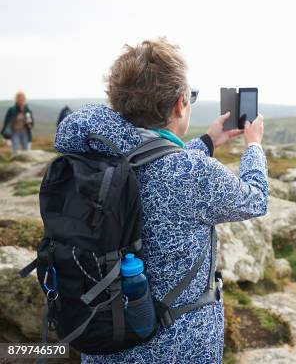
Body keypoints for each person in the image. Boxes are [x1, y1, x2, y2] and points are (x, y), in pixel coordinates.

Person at [54, 38, 268, 363]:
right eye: (190, 96)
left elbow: (150, 161)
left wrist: (209, 141)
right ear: (180, 103)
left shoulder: (94, 154)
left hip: (102, 340)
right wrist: (254, 146)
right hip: (177, 347)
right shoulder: (192, 172)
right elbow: (255, 198)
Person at [2, 91, 34, 155]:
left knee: (26, 149)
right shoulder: (12, 110)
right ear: (16, 99)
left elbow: (31, 122)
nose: (21, 100)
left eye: (22, 99)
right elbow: (7, 122)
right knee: (15, 149)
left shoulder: (27, 110)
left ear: (24, 99)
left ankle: (25, 163)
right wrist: (5, 135)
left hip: (25, 132)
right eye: (19, 98)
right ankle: (14, 162)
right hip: (15, 132)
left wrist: (30, 123)